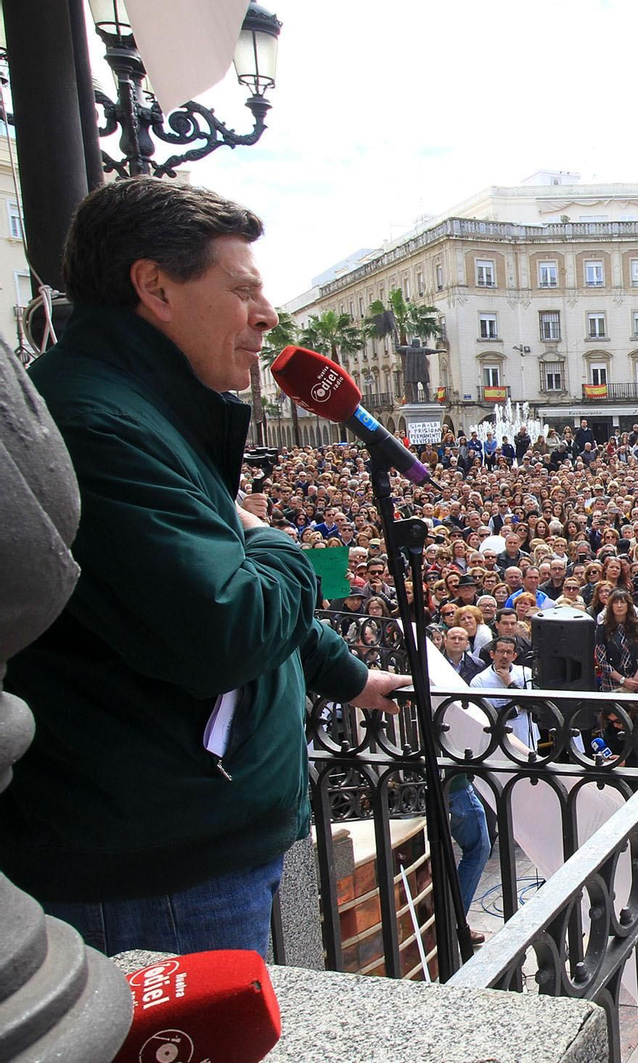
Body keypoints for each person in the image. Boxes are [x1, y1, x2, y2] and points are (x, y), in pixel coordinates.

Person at [0, 178, 409, 959]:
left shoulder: (148, 410)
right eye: (243, 290)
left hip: (184, 845)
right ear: (154, 287)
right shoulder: (97, 423)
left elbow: (212, 573)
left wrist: (348, 676)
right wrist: (286, 545)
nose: (268, 316)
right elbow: (224, 621)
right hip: (155, 876)